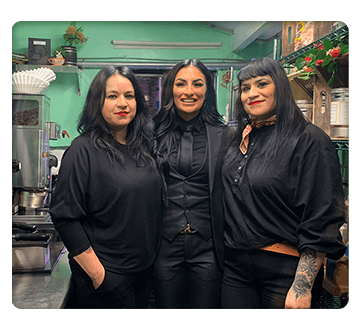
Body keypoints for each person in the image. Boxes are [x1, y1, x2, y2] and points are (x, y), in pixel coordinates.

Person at [221, 57, 346, 309]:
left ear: (280, 87)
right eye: (245, 88)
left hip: (284, 271)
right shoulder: (243, 137)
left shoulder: (309, 140)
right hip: (235, 268)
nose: (252, 94)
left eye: (262, 84)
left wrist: (302, 287)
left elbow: (320, 217)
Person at [50, 66, 162, 309]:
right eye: (112, 96)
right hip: (107, 278)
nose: (122, 103)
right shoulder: (83, 150)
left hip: (143, 274)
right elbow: (64, 218)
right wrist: (99, 275)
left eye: (129, 96)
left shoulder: (143, 148)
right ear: (96, 102)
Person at [152, 59, 233, 308]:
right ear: (170, 90)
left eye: (198, 84)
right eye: (181, 84)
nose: (189, 91)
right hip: (163, 247)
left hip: (209, 249)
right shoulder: (150, 132)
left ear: (207, 90)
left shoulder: (226, 135)